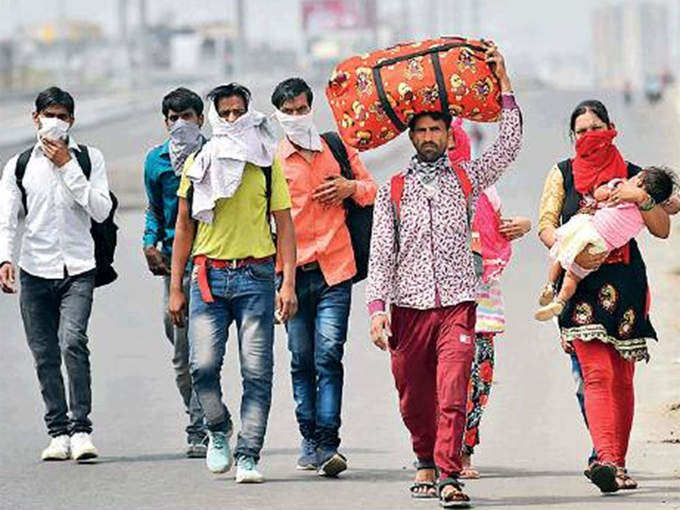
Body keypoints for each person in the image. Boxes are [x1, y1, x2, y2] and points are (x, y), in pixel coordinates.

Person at [367, 44, 522, 507]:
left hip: (457, 302)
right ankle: (424, 458)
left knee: (453, 391)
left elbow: (510, 145)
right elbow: (380, 255)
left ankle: (449, 474)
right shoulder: (391, 190)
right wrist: (377, 310)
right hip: (408, 309)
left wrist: (506, 84)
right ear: (412, 137)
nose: (431, 136)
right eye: (423, 130)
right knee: (413, 398)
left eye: (437, 128)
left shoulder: (466, 178)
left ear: (448, 135)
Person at [537, 99, 678, 493]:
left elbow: (663, 229)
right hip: (579, 282)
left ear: (611, 127)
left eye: (595, 127)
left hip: (627, 285)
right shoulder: (561, 174)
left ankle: (617, 460)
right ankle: (606, 460)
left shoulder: (636, 177)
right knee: (596, 374)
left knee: (621, 377)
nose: (588, 135)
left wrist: (639, 199)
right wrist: (569, 249)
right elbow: (546, 225)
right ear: (572, 136)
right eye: (581, 130)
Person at [169, 83, 297, 484]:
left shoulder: (264, 160)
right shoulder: (199, 161)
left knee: (256, 371)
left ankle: (248, 454)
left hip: (256, 276)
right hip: (208, 276)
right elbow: (184, 226)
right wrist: (176, 286)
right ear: (213, 116)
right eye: (223, 113)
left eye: (237, 112)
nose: (230, 120)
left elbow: (285, 225)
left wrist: (287, 281)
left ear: (248, 112)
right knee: (202, 367)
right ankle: (218, 426)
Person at [271, 77, 377, 476]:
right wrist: (282, 282)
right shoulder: (272, 161)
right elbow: (269, 224)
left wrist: (349, 187)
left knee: (329, 354)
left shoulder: (336, 147)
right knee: (301, 359)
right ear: (279, 116)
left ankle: (329, 442)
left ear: (311, 109)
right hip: (293, 275)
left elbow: (372, 189)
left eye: (302, 109)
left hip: (336, 269)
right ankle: (309, 438)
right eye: (289, 112)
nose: (297, 117)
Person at [0, 86, 113, 461]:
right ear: (35, 118)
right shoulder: (18, 165)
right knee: (44, 354)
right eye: (49, 115)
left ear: (72, 121)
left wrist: (67, 165)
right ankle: (57, 432)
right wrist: (5, 259)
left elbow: (100, 211)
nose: (56, 122)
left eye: (63, 116)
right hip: (35, 269)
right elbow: (7, 220)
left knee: (72, 342)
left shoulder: (88, 158)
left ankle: (81, 429)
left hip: (78, 269)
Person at [447, 119, 532, 479]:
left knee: (478, 383)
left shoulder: (486, 189)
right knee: (445, 383)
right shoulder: (423, 190)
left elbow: (498, 231)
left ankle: (465, 452)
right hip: (440, 303)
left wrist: (518, 227)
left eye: (454, 141)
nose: (449, 149)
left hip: (482, 305)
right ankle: (441, 453)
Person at [143, 87, 207, 457]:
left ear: (200, 119)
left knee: (202, 353)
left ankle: (200, 426)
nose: (180, 125)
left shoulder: (216, 156)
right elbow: (154, 209)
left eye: (187, 118)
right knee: (181, 357)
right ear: (165, 122)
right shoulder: (156, 162)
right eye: (173, 119)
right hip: (173, 265)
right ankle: (201, 410)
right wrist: (149, 243)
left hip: (211, 264)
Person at [536, 166, 676, 321]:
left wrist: (642, 197)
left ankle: (556, 295)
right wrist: (575, 255)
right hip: (582, 290)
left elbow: (664, 228)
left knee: (567, 266)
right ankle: (555, 293)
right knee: (568, 268)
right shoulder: (563, 172)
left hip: (623, 286)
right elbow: (545, 228)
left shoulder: (630, 172)